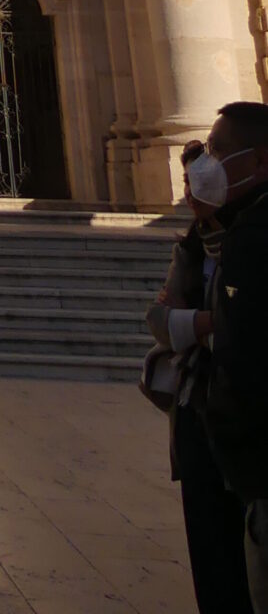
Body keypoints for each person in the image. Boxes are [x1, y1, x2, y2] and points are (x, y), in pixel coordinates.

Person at [146, 140, 253, 614]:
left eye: (196, 183)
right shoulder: (192, 245)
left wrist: (196, 324)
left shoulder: (251, 240)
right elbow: (159, 320)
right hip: (196, 406)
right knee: (211, 553)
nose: (189, 194)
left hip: (243, 411)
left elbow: (242, 322)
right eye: (186, 183)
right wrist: (205, 322)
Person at [193, 101, 268, 611]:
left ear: (258, 161)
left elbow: (246, 355)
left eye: (217, 152)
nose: (205, 165)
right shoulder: (238, 230)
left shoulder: (256, 237)